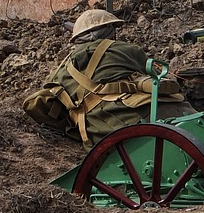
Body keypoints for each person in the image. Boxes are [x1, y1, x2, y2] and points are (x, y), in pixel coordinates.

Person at [22, 9, 193, 147]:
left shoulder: (62, 68)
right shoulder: (128, 50)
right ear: (111, 31)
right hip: (149, 118)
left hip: (106, 129)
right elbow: (154, 76)